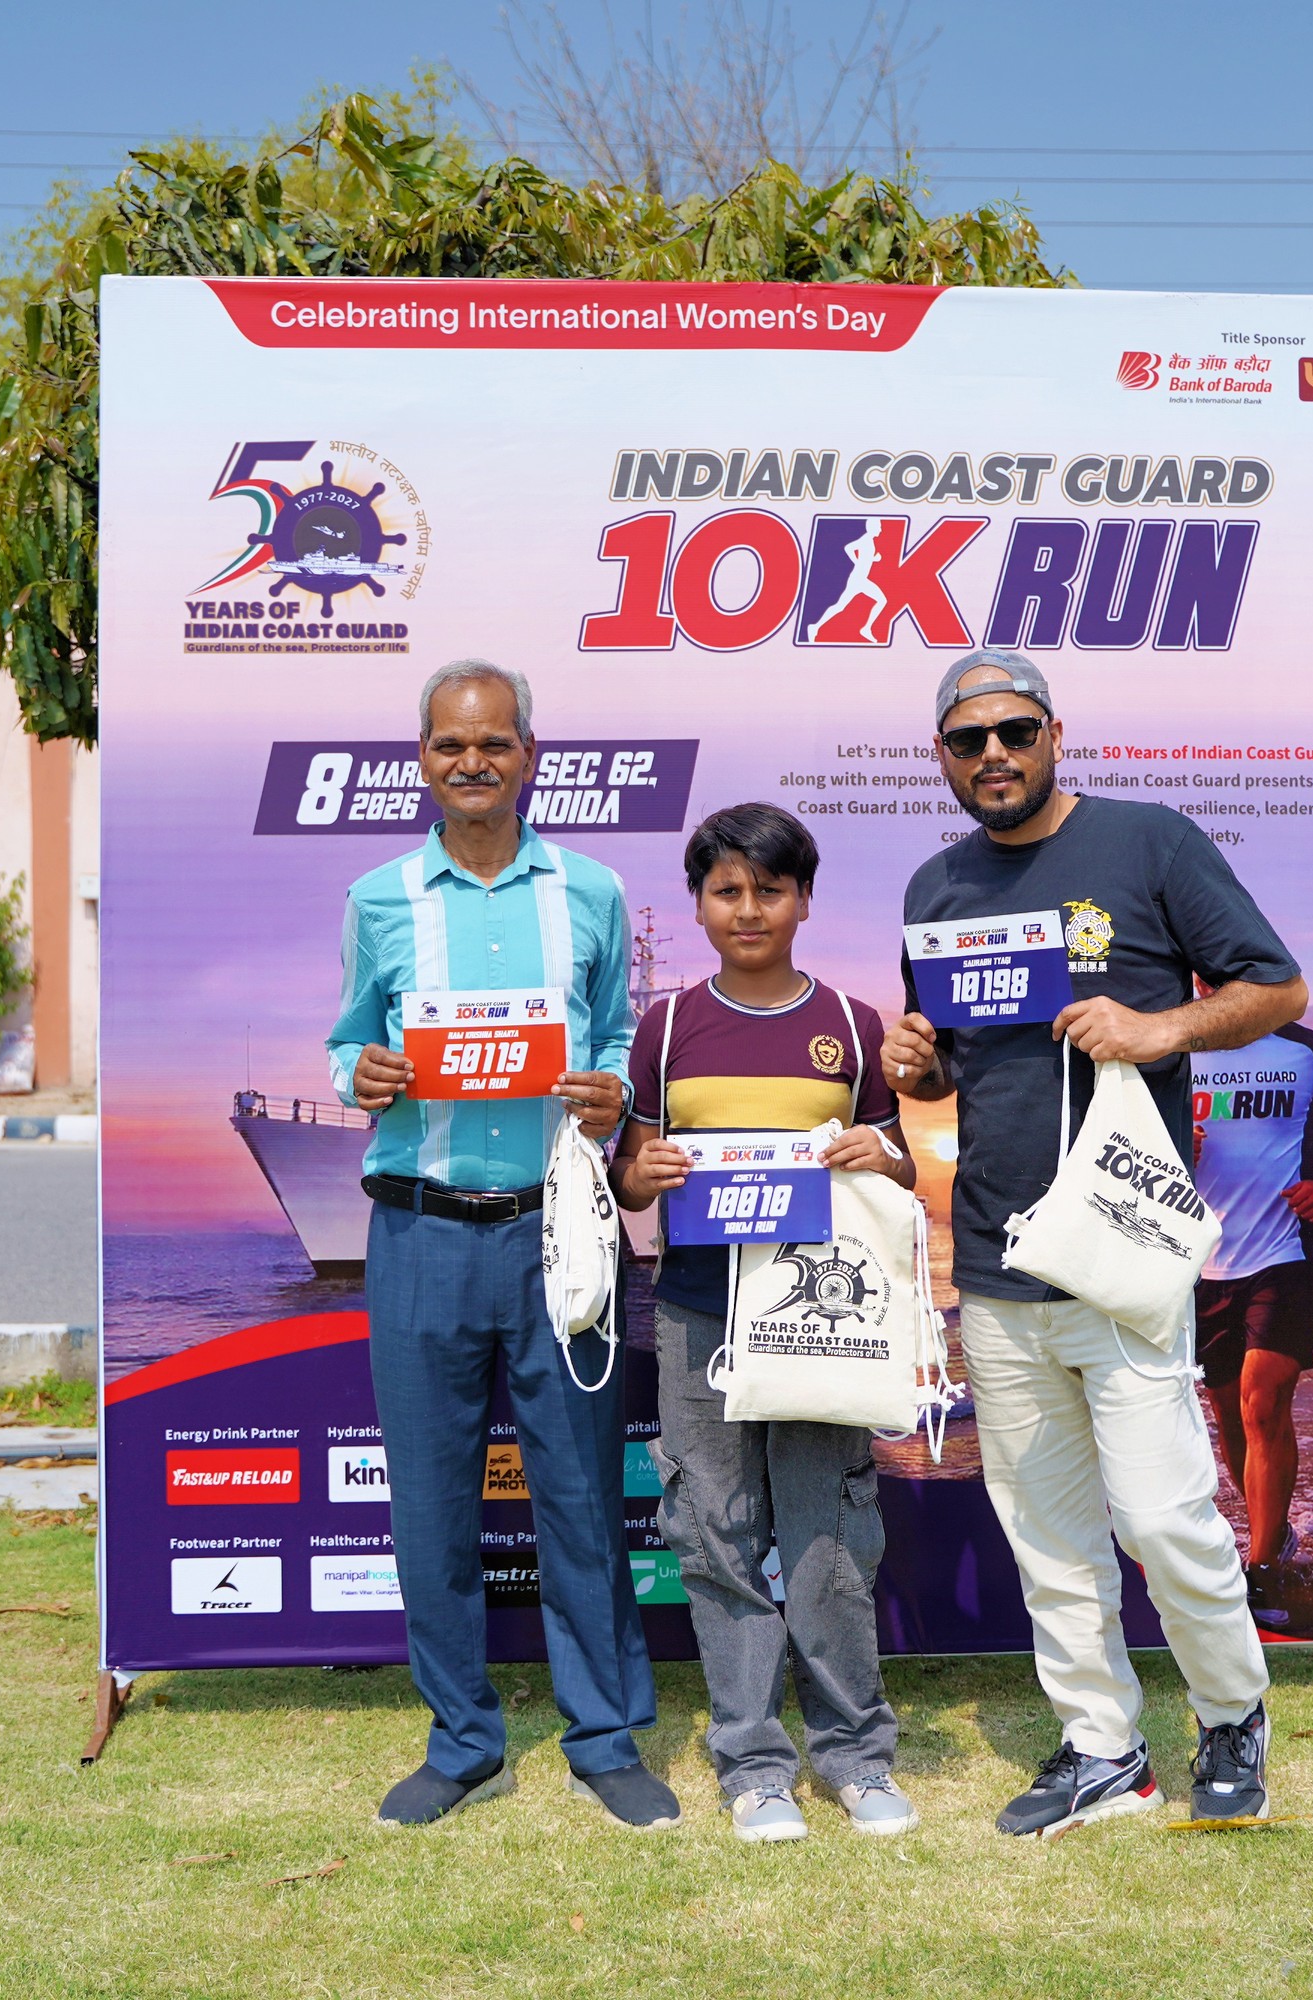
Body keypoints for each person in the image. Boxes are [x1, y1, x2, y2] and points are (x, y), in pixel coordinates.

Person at [879, 649, 1308, 1837]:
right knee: (1049, 1535)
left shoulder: (1147, 841)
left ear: (1055, 734)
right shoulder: (933, 887)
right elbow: (951, 1060)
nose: (994, 754)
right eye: (969, 740)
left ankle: (1231, 1714)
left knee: (1165, 1515)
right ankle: (1104, 1747)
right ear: (942, 757)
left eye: (1015, 731)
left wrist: (1159, 1025)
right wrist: (917, 1063)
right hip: (996, 1260)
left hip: (1119, 1250)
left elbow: (1277, 987)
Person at [327, 659, 678, 1833]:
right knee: (432, 1507)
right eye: (449, 744)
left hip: (557, 1233)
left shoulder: (592, 890)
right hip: (421, 1233)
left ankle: (605, 1738)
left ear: (531, 754)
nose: (471, 761)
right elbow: (347, 1041)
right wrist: (363, 1072)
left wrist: (610, 1090)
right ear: (421, 759)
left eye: (493, 742)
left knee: (578, 1495)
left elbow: (618, 1034)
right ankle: (464, 1740)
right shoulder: (379, 897)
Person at [610, 802, 919, 1845]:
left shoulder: (853, 1023)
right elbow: (630, 1174)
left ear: (804, 901)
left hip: (819, 1319)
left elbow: (898, 1165)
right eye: (727, 890)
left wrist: (879, 1155)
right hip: (698, 1313)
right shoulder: (665, 1027)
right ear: (700, 904)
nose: (749, 910)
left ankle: (858, 1755)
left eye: (770, 890)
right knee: (717, 1534)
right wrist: (643, 1172)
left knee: (829, 1535)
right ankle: (753, 1766)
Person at [1190, 1024, 1313, 1626]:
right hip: (1200, 1260)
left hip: (1289, 1252)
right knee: (1230, 1412)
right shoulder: (1175, 1046)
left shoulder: (1309, 1050)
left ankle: (1261, 1569)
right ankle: (1273, 1534)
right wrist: (1173, 1145)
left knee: (1262, 1403)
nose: (1209, 981)